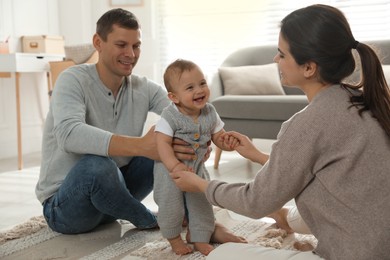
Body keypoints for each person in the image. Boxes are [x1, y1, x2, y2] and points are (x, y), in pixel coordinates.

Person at [170, 4, 390, 260]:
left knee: (223, 255)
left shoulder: (308, 123)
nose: (275, 60)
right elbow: (318, 169)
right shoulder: (365, 101)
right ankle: (286, 218)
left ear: (308, 67)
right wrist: (255, 154)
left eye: (281, 54)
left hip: (354, 253)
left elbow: (255, 202)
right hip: (377, 238)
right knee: (296, 207)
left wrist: (201, 185)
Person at [34, 8, 246, 245]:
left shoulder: (143, 87)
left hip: (116, 197)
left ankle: (199, 223)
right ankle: (149, 219)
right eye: (122, 45)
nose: (131, 54)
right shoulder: (72, 79)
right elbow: (68, 134)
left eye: (136, 46)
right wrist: (143, 146)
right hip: (66, 208)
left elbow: (186, 113)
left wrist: (198, 143)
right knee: (98, 165)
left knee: (169, 142)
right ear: (98, 42)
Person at [153, 59, 240, 255]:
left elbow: (217, 135)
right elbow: (162, 143)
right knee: (171, 206)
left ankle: (199, 237)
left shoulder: (210, 111)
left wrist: (225, 141)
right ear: (174, 97)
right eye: (190, 87)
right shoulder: (169, 116)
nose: (199, 90)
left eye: (202, 83)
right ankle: (175, 239)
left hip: (197, 169)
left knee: (202, 202)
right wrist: (174, 166)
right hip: (170, 173)